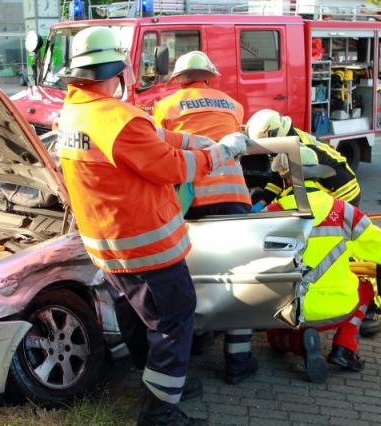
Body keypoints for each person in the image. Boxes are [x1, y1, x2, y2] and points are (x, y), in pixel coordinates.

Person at [55, 27, 249, 426]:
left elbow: (156, 137)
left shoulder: (77, 113)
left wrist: (192, 139)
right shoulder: (118, 119)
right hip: (148, 249)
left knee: (136, 316)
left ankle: (158, 384)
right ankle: (162, 411)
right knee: (173, 321)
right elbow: (172, 167)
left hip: (108, 246)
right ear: (118, 70)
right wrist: (221, 151)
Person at [263, 146, 381, 382]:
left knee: (272, 338)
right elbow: (380, 243)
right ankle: (344, 348)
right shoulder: (343, 211)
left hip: (290, 312)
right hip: (338, 310)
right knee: (365, 286)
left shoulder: (272, 213)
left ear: (285, 177)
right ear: (317, 174)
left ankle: (298, 342)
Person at [152, 51, 257, 385]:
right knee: (239, 281)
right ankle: (238, 362)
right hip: (235, 201)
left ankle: (195, 342)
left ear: (179, 80)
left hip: (191, 202)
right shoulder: (233, 104)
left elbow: (161, 151)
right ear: (209, 76)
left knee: (193, 277)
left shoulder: (166, 106)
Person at [244, 109, 381, 337]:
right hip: (320, 191)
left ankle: (374, 307)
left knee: (349, 250)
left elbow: (293, 182)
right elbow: (281, 180)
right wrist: (262, 200)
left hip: (342, 193)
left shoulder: (300, 150)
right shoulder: (286, 142)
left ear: (272, 133)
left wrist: (265, 206)